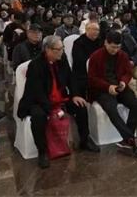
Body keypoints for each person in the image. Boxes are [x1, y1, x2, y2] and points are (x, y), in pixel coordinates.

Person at [16, 36, 100, 169]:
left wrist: (75, 95)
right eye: (58, 49)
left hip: (60, 97)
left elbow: (70, 77)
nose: (61, 52)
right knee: (38, 116)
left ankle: (84, 139)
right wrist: (51, 109)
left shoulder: (62, 59)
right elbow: (36, 91)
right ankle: (42, 151)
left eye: (62, 49)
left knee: (80, 106)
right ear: (48, 50)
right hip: (39, 100)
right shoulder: (36, 65)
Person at [87, 31, 137, 156]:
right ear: (106, 43)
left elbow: (128, 73)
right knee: (111, 110)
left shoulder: (122, 55)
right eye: (113, 47)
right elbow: (92, 79)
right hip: (102, 89)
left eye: (118, 47)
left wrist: (123, 82)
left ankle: (127, 139)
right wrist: (108, 87)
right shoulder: (96, 56)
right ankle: (131, 139)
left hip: (119, 86)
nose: (115, 50)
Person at [71, 22, 102, 95]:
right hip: (83, 72)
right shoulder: (78, 42)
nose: (97, 32)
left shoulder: (100, 41)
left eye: (98, 30)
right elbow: (79, 60)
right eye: (94, 29)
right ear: (87, 30)